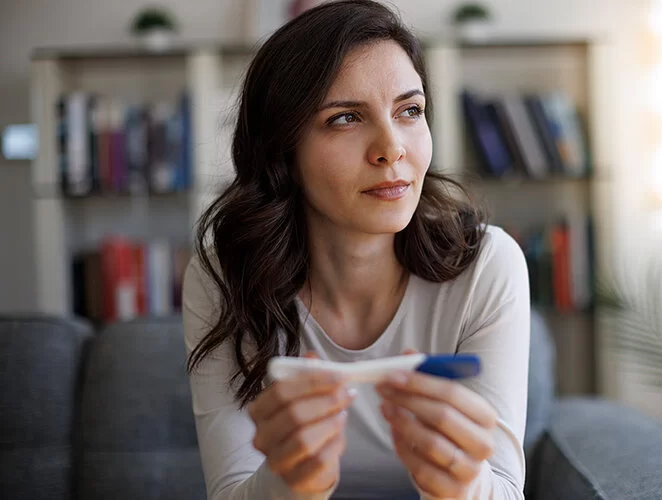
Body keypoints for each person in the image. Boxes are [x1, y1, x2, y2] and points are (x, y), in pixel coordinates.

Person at [182, 1, 531, 498]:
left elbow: (502, 492)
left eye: (410, 110)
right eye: (346, 118)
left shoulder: (486, 267)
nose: (392, 148)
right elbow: (231, 491)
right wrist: (292, 480)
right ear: (283, 151)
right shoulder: (222, 278)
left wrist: (461, 481)